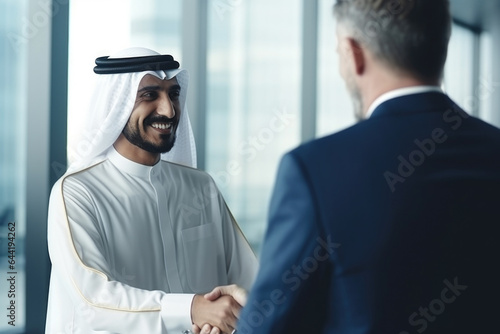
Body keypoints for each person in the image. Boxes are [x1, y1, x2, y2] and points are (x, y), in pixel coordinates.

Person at [239, 0, 500, 333]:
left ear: (354, 53)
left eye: (337, 51)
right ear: (443, 44)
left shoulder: (313, 169)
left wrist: (256, 310)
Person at [45, 47, 258, 334]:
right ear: (117, 104)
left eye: (173, 94)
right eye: (149, 95)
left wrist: (235, 313)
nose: (168, 109)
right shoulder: (77, 193)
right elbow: (93, 300)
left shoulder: (201, 186)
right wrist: (193, 309)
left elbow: (249, 280)